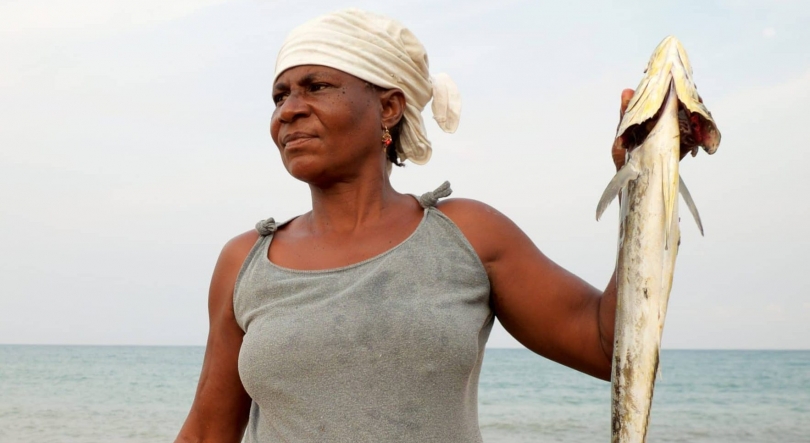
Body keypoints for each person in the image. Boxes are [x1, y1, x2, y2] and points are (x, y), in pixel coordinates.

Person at [176, 9, 645, 443]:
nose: (288, 110)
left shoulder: (468, 234)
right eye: (280, 96)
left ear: (388, 107)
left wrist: (644, 182)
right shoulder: (247, 261)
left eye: (316, 86)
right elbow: (207, 432)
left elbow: (609, 348)